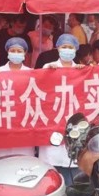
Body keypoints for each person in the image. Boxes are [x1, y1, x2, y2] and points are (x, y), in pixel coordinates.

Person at [39, 34, 81, 185]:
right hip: (53, 120)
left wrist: (86, 71)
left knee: (73, 176)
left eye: (70, 47)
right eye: (64, 47)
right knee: (52, 174)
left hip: (73, 121)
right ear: (57, 48)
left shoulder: (80, 70)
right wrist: (47, 72)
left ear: (76, 49)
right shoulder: (48, 67)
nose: (67, 50)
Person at [0, 37, 34, 159]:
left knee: (23, 160)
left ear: (25, 53)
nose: (16, 53)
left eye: (19, 51)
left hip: (23, 120)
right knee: (1, 160)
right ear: (7, 52)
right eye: (13, 50)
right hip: (4, 120)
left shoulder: (31, 73)